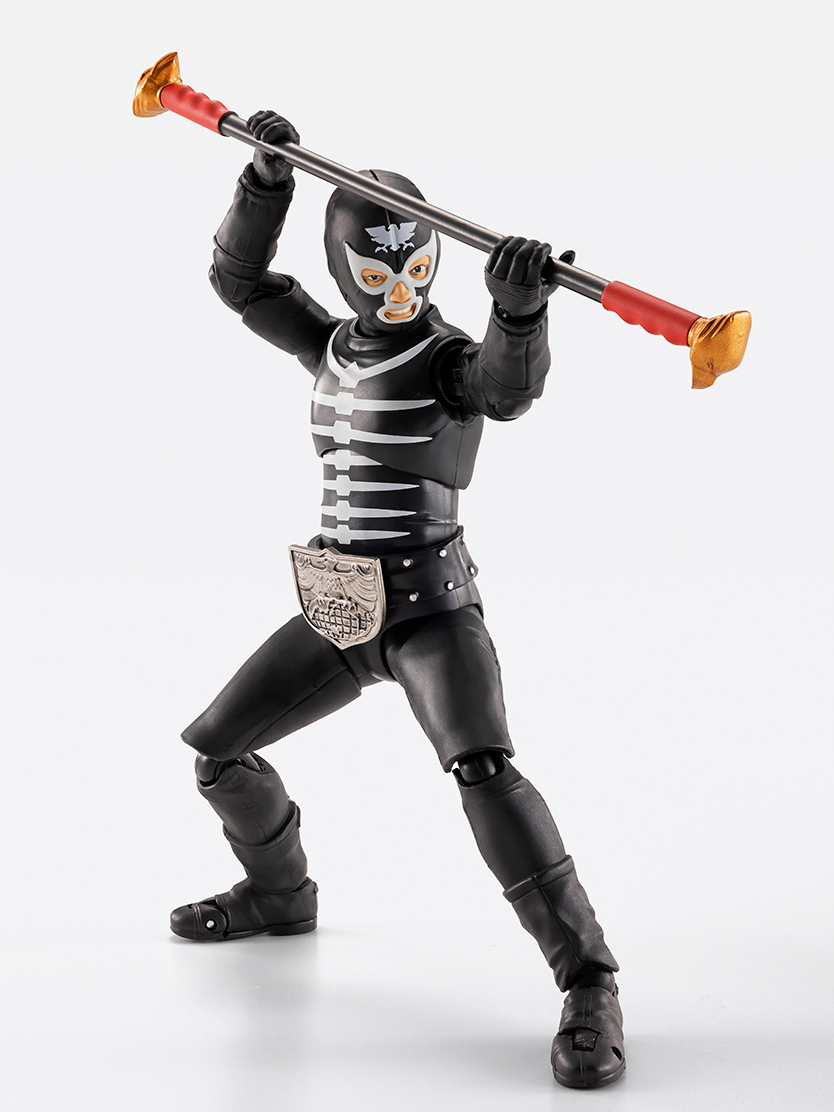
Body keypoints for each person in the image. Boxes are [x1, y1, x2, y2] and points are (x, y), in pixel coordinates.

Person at [170, 110, 625, 1089]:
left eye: (414, 267)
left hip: (429, 610)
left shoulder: (447, 359)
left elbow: (505, 391)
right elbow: (239, 282)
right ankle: (279, 894)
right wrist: (264, 184)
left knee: (483, 767)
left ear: (435, 258)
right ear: (342, 271)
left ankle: (589, 977)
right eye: (374, 273)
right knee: (217, 751)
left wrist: (517, 316)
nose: (399, 288)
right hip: (339, 608)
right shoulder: (330, 344)